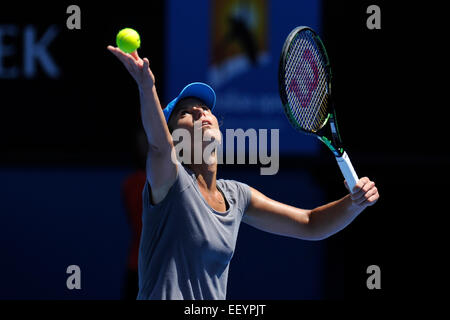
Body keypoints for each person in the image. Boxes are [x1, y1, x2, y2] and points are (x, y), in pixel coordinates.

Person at [107, 45, 379, 300]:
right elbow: (159, 145)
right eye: (186, 113)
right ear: (174, 137)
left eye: (205, 109)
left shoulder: (237, 196)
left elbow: (311, 223)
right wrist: (147, 86)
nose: (201, 113)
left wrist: (353, 204)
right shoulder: (170, 181)